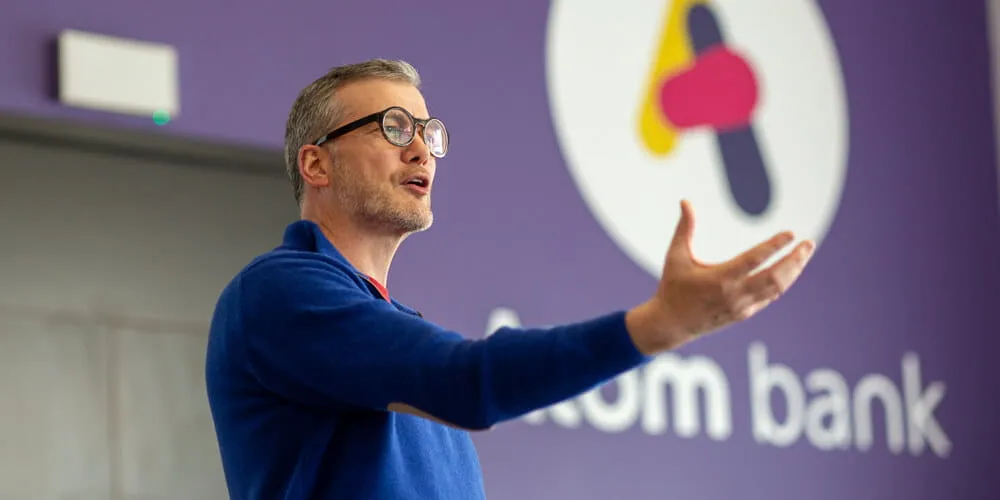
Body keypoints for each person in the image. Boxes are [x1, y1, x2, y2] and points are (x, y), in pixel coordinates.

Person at [204, 58, 815, 500]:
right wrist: (659, 325)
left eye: (428, 133)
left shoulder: (399, 335)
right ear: (317, 162)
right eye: (392, 128)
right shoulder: (277, 293)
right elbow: (470, 382)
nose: (421, 151)